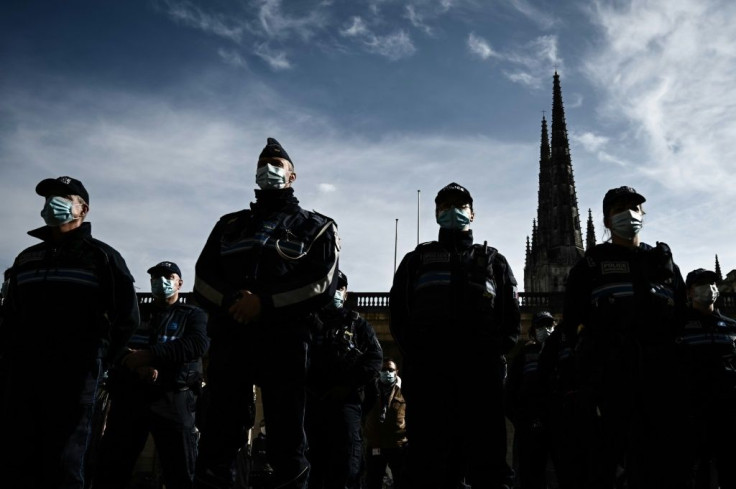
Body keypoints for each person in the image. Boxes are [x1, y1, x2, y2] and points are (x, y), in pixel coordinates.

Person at [192, 137, 340, 489]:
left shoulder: (317, 225)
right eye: (263, 163)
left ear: (292, 175)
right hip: (232, 337)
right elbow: (202, 278)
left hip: (286, 341)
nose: (268, 169)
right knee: (219, 436)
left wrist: (265, 303)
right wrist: (234, 303)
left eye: (277, 164)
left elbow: (321, 283)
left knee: (287, 437)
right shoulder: (229, 225)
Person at [0, 176, 140, 489]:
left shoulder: (103, 257)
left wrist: (99, 362)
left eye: (64, 197)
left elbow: (127, 318)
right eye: (48, 197)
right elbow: (9, 318)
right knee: (16, 457)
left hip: (75, 376)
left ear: (83, 209)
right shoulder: (26, 258)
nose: (53, 203)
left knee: (65, 460)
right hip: (23, 374)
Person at [390, 182, 521, 489]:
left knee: (487, 464)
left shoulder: (494, 261)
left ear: (472, 214)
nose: (453, 211)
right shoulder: (416, 260)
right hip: (430, 377)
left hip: (480, 378)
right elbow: (399, 315)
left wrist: (491, 353)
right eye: (446, 206)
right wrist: (418, 354)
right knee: (429, 464)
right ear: (436, 214)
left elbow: (511, 319)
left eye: (460, 206)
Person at [560, 185, 687, 488]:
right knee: (606, 465)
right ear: (606, 221)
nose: (628, 214)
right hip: (611, 382)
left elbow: (681, 320)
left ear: (643, 214)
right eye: (619, 210)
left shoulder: (664, 264)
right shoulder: (590, 265)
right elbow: (572, 325)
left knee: (662, 465)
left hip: (659, 382)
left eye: (634, 208)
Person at [94, 261, 210, 489]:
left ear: (180, 283)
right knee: (111, 467)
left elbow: (197, 345)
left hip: (173, 398)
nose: (161, 281)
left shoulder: (193, 314)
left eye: (168, 276)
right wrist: (135, 365)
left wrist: (151, 356)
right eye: (156, 277)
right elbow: (110, 344)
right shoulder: (134, 313)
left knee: (181, 470)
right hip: (131, 396)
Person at [304, 269, 383, 489]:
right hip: (312, 403)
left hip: (345, 402)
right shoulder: (307, 321)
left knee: (348, 465)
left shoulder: (358, 324)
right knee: (311, 466)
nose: (336, 291)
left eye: (340, 287)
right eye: (332, 286)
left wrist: (348, 385)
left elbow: (375, 359)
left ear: (346, 293)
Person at [677, 268, 736, 489]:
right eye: (701, 284)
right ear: (689, 292)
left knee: (729, 465)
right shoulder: (678, 326)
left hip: (728, 408)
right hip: (693, 410)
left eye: (711, 283)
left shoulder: (731, 326)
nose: (709, 289)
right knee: (697, 470)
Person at [506, 311, 556, 489]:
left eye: (550, 325)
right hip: (529, 428)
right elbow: (509, 394)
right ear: (533, 331)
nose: (547, 330)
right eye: (541, 326)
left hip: (555, 427)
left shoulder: (559, 354)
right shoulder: (524, 355)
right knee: (528, 476)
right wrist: (522, 421)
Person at [363, 358, 408, 489]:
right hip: (375, 444)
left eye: (390, 369)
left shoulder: (404, 389)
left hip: (397, 445)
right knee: (373, 481)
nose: (387, 372)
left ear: (396, 372)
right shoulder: (371, 388)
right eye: (384, 369)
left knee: (401, 481)